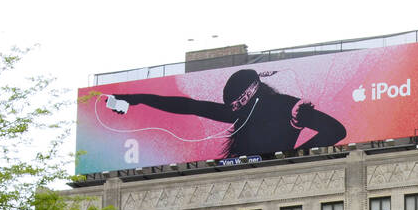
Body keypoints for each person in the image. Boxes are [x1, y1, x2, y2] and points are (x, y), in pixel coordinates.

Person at [105, 68, 346, 159]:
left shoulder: (287, 105)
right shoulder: (237, 114)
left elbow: (337, 130)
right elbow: (187, 105)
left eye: (238, 104)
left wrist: (295, 150)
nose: (234, 110)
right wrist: (134, 99)